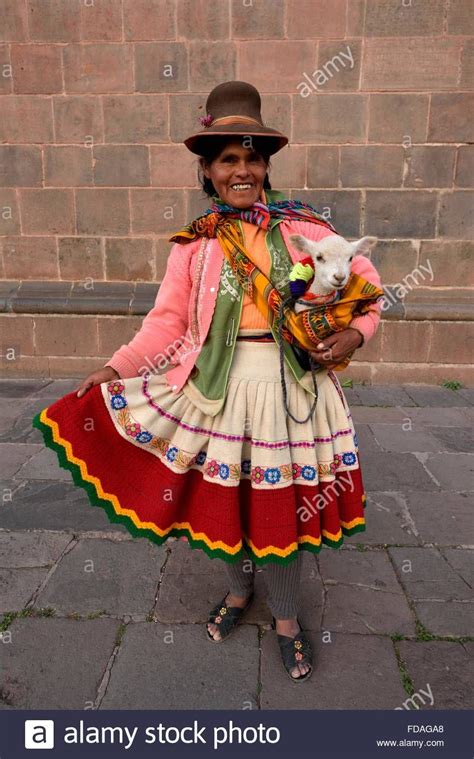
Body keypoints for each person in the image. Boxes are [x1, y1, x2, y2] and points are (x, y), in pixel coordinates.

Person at [33, 81, 383, 682]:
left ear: (266, 165)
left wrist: (355, 336)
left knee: (282, 505)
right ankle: (240, 592)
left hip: (291, 388)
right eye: (228, 159)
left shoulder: (308, 231)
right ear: (208, 170)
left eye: (251, 157)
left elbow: (369, 290)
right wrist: (117, 368)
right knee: (227, 503)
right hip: (217, 389)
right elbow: (166, 322)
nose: (241, 170)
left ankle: (289, 620)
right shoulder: (194, 248)